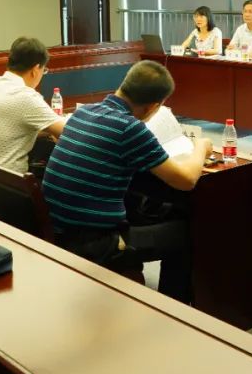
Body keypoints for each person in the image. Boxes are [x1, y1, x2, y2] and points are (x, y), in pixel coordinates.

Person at [41, 60, 213, 303]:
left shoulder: (83, 112)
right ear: (153, 107)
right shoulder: (129, 128)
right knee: (186, 233)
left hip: (58, 228)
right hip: (96, 243)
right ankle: (173, 309)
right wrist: (200, 147)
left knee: (151, 206)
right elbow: (186, 180)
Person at [0, 37, 65, 174]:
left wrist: (47, 128)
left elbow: (10, 126)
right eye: (44, 70)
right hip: (7, 182)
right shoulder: (26, 96)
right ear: (36, 69)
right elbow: (69, 132)